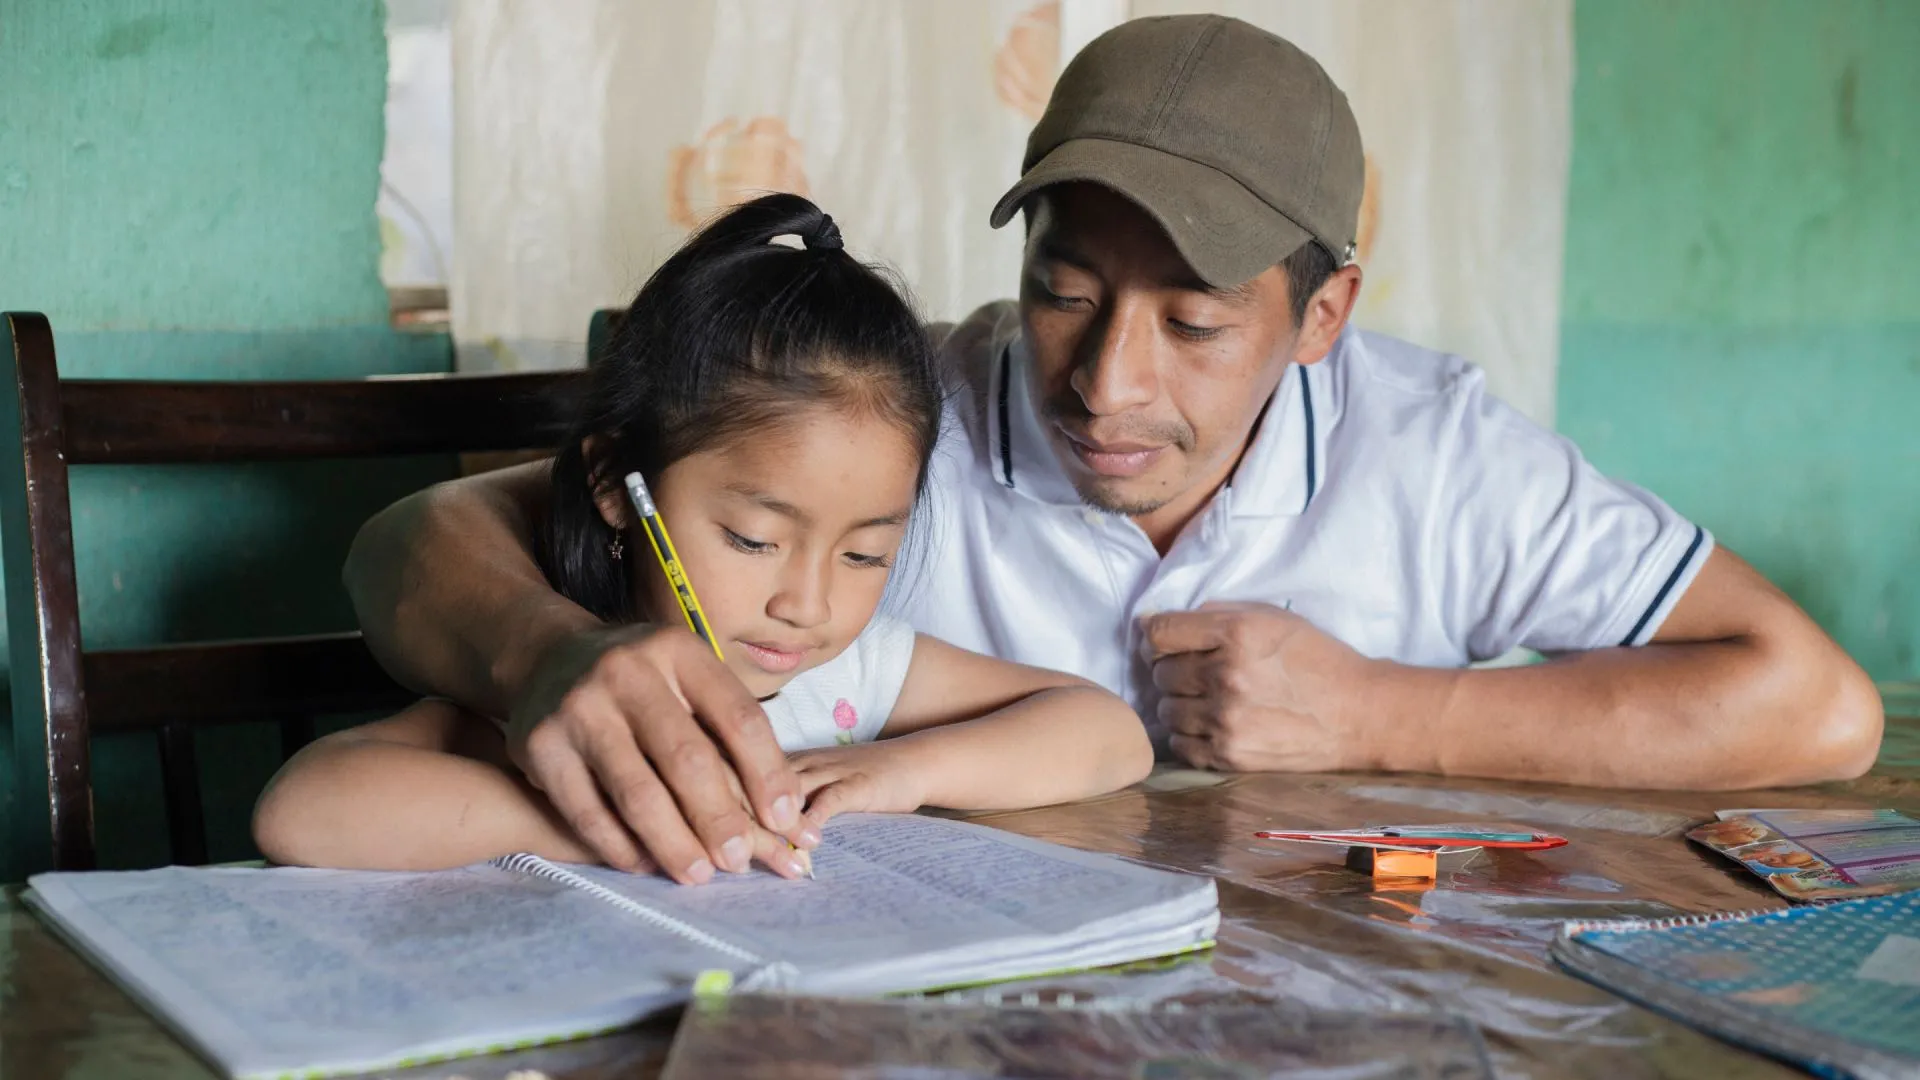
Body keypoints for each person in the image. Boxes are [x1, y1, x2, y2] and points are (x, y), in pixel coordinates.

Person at [338, 16, 1882, 883]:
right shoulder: (890, 424)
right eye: (1063, 291)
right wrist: (543, 649)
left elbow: (1815, 707)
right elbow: (423, 537)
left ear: (1324, 311)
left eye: (1195, 325)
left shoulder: (1442, 458)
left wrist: (1376, 709)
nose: (1102, 382)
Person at [253, 194, 1153, 878]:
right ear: (616, 486)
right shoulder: (573, 681)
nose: (808, 604)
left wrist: (902, 771)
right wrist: (625, 821)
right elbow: (302, 811)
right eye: (754, 540)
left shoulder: (849, 680)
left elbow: (1111, 734)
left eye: (866, 552)